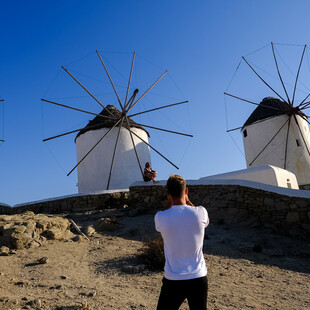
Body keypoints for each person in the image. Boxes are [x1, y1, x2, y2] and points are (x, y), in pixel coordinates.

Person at [154, 174, 210, 310]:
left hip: (173, 279)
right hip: (198, 277)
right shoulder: (201, 212)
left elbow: (169, 215)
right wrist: (188, 201)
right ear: (186, 191)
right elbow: (205, 223)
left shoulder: (160, 217)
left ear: (168, 195)